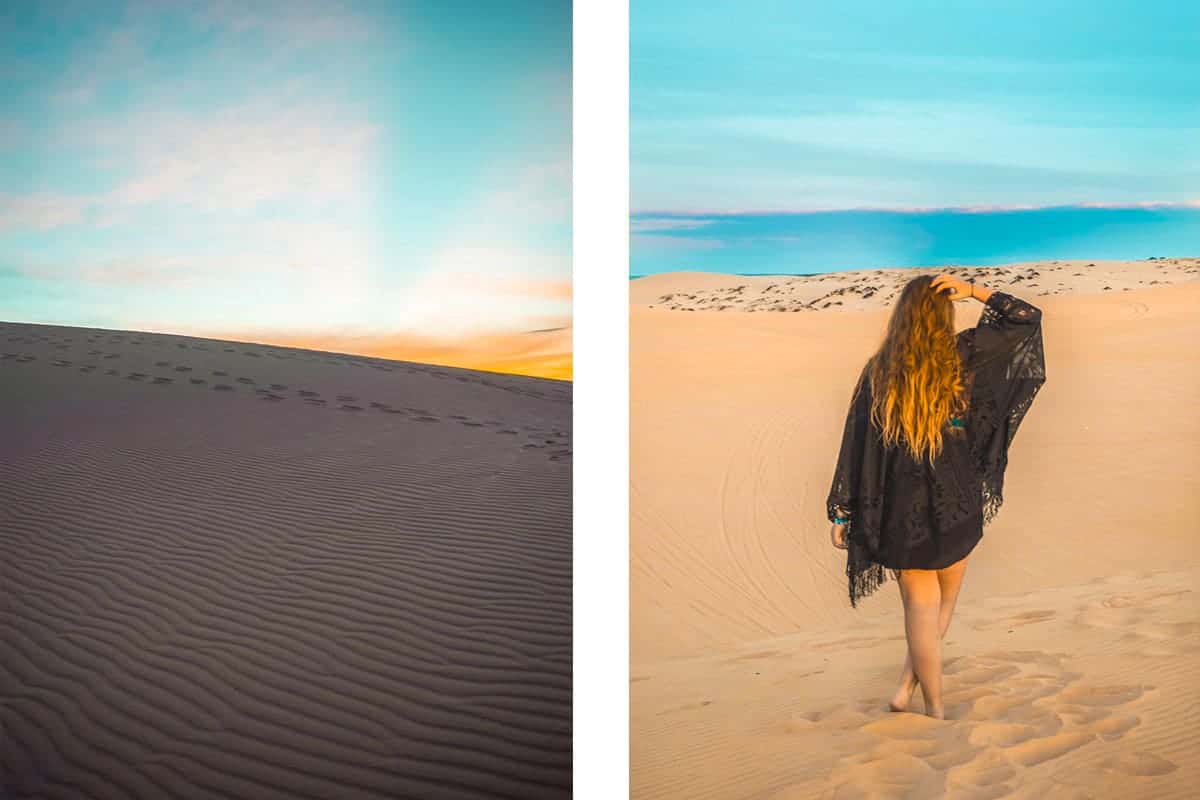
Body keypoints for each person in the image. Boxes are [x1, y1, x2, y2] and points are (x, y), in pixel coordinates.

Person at [825, 273, 1046, 719]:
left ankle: (920, 696)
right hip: (957, 505)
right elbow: (1027, 318)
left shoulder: (880, 372)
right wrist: (973, 290)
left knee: (920, 614)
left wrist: (844, 512)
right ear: (942, 315)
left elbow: (856, 446)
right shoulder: (964, 357)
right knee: (943, 606)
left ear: (902, 318)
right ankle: (930, 706)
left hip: (903, 513)